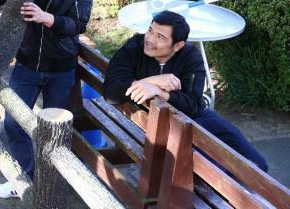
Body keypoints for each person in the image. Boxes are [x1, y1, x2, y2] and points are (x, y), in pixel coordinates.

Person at [0, 0, 95, 198]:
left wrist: (48, 18)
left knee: (54, 136)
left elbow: (79, 24)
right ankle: (26, 181)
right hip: (26, 62)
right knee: (13, 122)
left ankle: (49, 189)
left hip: (61, 68)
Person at [103, 10, 268, 172]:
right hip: (157, 122)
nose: (150, 39)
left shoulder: (190, 57)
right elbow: (111, 93)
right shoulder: (134, 47)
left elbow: (195, 105)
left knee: (256, 164)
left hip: (193, 116)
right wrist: (151, 81)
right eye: (150, 30)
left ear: (178, 45)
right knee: (212, 169)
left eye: (160, 37)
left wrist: (162, 93)